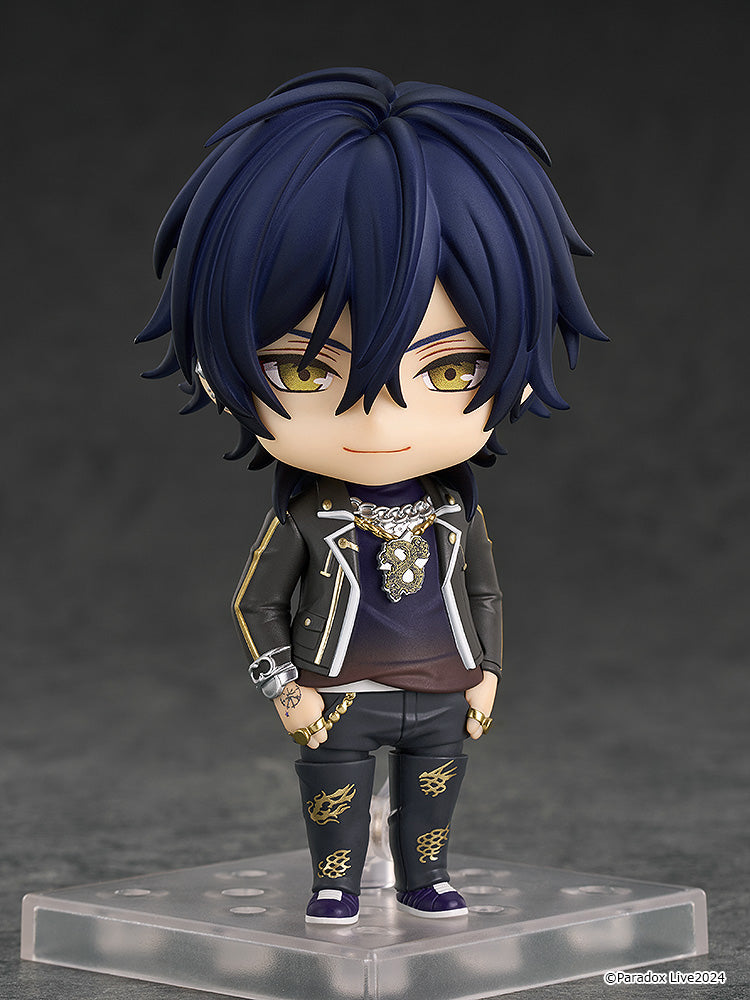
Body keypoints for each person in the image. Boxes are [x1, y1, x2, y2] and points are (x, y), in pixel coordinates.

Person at [137, 67, 605, 924]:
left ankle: (427, 877)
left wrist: (489, 672)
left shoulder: (455, 513)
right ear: (215, 371)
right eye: (304, 370)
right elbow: (256, 603)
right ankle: (335, 884)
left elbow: (485, 594)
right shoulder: (307, 516)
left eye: (451, 371)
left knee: (434, 799)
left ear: (516, 373)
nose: (381, 421)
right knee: (334, 801)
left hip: (443, 685)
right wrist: (284, 686)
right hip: (338, 690)